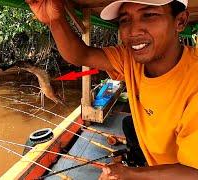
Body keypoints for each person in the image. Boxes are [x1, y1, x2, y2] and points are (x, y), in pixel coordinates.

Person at [25, 0, 198, 179]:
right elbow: (80, 55)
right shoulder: (129, 58)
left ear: (180, 21)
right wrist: (55, 20)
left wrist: (128, 173)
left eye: (149, 15)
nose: (133, 30)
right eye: (125, 20)